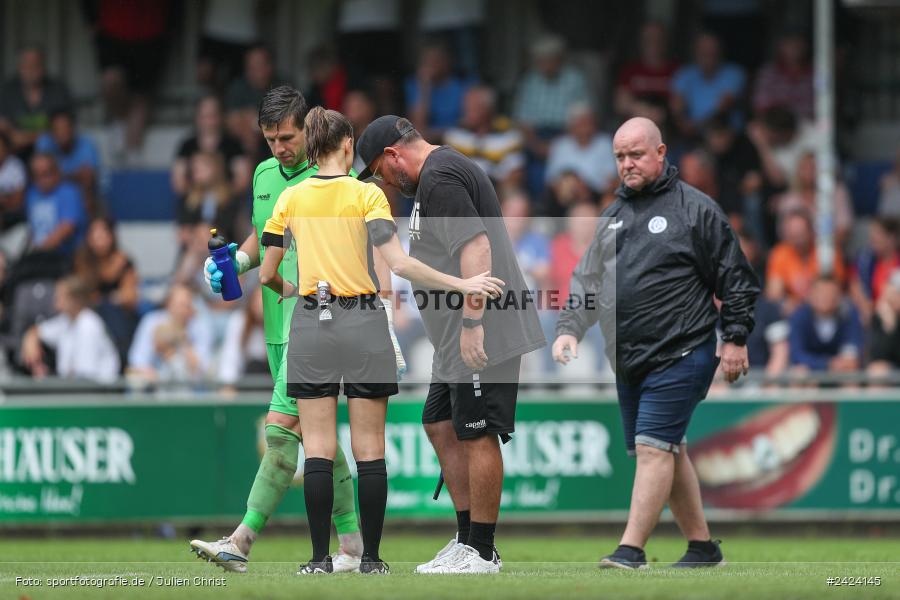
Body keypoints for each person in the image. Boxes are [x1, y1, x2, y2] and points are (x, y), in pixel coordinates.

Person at [260, 107, 504, 574]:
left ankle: (318, 560)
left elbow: (268, 273)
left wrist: (298, 292)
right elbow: (400, 264)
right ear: (348, 144)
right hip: (364, 321)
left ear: (310, 147)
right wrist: (463, 286)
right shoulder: (367, 196)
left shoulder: (290, 197)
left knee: (317, 449)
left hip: (312, 321)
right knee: (370, 448)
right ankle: (371, 559)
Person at [552, 117, 759, 569]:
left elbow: (736, 278)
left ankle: (631, 550)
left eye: (636, 155)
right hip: (629, 359)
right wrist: (569, 328)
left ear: (661, 153)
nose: (627, 164)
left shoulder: (697, 210)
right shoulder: (611, 217)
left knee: (652, 449)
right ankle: (703, 548)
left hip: (684, 351)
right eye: (620, 157)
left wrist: (736, 337)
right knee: (667, 448)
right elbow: (586, 282)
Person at [354, 115, 545, 574]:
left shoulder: (439, 178)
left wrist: (473, 322)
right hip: (452, 339)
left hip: (485, 327)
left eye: (380, 170)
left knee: (478, 432)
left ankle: (481, 549)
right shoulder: (433, 181)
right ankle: (466, 539)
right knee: (439, 422)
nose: (383, 181)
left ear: (395, 155)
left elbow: (476, 249)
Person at [189, 87, 365, 574]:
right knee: (317, 437)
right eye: (270, 140)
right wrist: (237, 262)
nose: (280, 148)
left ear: (308, 128)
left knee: (281, 428)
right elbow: (262, 233)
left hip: (313, 323)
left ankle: (241, 541)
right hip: (274, 324)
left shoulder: (332, 176)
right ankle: (352, 546)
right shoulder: (265, 175)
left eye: (287, 137)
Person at [20, 275, 120, 382]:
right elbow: (36, 331)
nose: (55, 301)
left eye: (60, 296)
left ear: (75, 299)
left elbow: (85, 376)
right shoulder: (66, 320)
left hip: (97, 394)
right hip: (75, 390)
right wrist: (30, 343)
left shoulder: (89, 325)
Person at [443, 86, 525, 188]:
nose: (467, 111)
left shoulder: (509, 135)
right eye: (466, 106)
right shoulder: (454, 135)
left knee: (517, 202)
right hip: (462, 190)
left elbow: (515, 174)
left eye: (473, 107)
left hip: (497, 190)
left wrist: (489, 193)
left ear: (488, 109)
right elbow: (447, 172)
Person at [0, 44, 72, 156]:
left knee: (44, 143)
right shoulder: (8, 91)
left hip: (51, 154)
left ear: (43, 67)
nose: (31, 70)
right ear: (19, 67)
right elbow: (3, 126)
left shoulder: (57, 89)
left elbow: (63, 128)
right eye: (26, 65)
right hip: (14, 152)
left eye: (35, 65)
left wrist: (26, 138)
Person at [670, 33, 746, 139]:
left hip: (725, 136)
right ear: (695, 53)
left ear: (720, 52)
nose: (709, 55)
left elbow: (723, 108)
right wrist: (682, 123)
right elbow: (676, 107)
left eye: (712, 51)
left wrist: (695, 126)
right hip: (690, 135)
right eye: (704, 52)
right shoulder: (685, 74)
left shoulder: (734, 73)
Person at [788, 276, 863, 378]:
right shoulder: (799, 316)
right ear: (811, 295)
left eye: (830, 294)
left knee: (851, 375)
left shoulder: (849, 314)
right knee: (799, 373)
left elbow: (853, 346)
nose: (826, 298)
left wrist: (845, 361)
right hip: (811, 370)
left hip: (840, 371)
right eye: (821, 293)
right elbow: (797, 354)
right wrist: (826, 363)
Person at [614, 22, 679, 126]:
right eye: (648, 39)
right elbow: (620, 104)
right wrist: (641, 109)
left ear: (665, 42)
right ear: (641, 42)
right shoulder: (631, 70)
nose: (653, 43)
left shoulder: (675, 71)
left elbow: (679, 105)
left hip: (667, 127)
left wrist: (664, 112)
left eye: (657, 39)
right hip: (635, 127)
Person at [25, 153, 88, 260]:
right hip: (41, 256)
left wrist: (38, 252)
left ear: (57, 172)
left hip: (66, 256)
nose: (42, 180)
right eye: (36, 175)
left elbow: (67, 228)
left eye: (46, 174)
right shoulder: (32, 194)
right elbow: (33, 229)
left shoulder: (68, 192)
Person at [34, 110, 101, 210]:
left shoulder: (86, 144)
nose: (62, 133)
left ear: (73, 129)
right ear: (50, 131)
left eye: (65, 128)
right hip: (53, 195)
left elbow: (88, 176)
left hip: (83, 194)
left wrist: (57, 176)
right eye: (57, 129)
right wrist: (72, 176)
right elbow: (40, 174)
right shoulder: (44, 143)